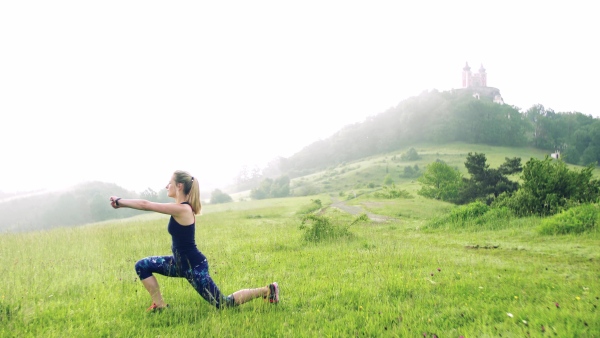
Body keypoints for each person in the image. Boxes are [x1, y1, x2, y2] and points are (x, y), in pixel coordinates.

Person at [110, 170, 279, 311]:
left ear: (179, 186)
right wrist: (121, 205)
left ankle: (267, 290)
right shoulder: (180, 208)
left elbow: (146, 204)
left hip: (194, 266)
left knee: (223, 304)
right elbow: (145, 205)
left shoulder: (183, 209)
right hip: (178, 264)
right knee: (142, 265)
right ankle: (160, 305)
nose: (166, 186)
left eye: (169, 183)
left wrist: (120, 201)